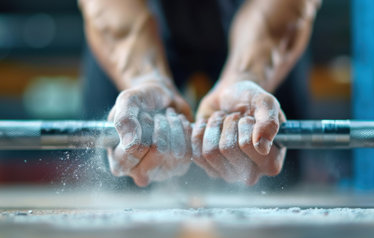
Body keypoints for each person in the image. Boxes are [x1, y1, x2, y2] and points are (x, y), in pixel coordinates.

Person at [79, 0, 320, 187]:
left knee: (268, 156)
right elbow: (116, 20)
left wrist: (247, 77)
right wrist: (144, 78)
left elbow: (275, 22)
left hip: (255, 31)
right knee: (124, 158)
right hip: (143, 30)